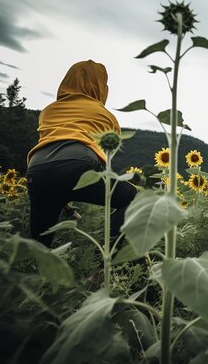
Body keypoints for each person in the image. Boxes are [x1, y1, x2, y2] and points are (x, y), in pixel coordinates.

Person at [26, 60, 137, 247]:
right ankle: (104, 260)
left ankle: (30, 273)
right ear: (101, 86)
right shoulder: (106, 116)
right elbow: (103, 163)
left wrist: (65, 204)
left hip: (37, 172)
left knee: (39, 244)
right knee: (135, 200)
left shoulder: (47, 111)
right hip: (80, 165)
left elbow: (54, 161)